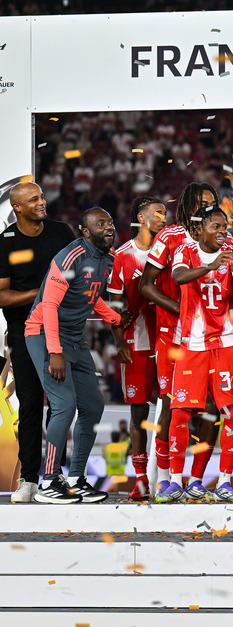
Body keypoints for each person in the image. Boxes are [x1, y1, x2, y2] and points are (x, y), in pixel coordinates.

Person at [140, 183, 233, 502]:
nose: (206, 208)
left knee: (211, 408)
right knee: (173, 405)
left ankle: (196, 479)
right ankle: (165, 479)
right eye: (200, 203)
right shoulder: (170, 237)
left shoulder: (222, 238)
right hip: (174, 336)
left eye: (212, 203)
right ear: (186, 205)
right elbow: (146, 285)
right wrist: (179, 310)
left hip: (215, 338)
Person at [25, 208, 119, 504]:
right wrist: (54, 352)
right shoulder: (69, 256)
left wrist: (114, 318)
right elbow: (49, 306)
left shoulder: (107, 257)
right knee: (64, 405)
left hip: (74, 337)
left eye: (110, 222)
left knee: (93, 406)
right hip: (44, 333)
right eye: (101, 224)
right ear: (85, 231)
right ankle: (48, 482)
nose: (109, 227)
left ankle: (77, 479)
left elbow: (90, 294)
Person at [161, 206, 233, 503]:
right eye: (216, 226)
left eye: (225, 226)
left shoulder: (232, 251)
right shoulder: (185, 250)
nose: (223, 231)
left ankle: (224, 481)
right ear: (199, 229)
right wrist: (211, 267)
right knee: (180, 411)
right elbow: (180, 277)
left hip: (226, 343)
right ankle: (175, 481)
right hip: (193, 343)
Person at [0, 182, 76, 503]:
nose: (42, 202)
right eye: (33, 200)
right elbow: (2, 296)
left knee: (60, 405)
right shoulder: (5, 242)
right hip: (23, 332)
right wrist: (43, 294)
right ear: (17, 208)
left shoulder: (62, 233)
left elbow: (78, 275)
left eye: (42, 197)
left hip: (62, 330)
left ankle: (53, 474)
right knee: (30, 403)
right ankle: (29, 479)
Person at [108, 195, 166, 501]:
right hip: (137, 341)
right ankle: (141, 478)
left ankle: (166, 476)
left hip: (169, 339)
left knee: (171, 406)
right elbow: (114, 305)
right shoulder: (123, 255)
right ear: (141, 218)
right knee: (139, 410)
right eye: (157, 213)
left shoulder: (172, 249)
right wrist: (119, 341)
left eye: (165, 213)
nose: (163, 218)